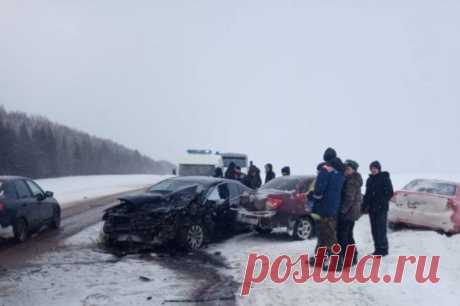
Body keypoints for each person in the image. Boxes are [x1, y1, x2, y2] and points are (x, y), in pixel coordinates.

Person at [308, 155, 345, 270]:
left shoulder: (325, 170)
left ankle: (337, 261)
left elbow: (319, 191)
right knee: (325, 234)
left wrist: (312, 195)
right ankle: (320, 258)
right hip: (333, 207)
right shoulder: (340, 174)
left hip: (324, 207)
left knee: (328, 236)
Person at [362, 161, 394, 256]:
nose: (373, 170)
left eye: (375, 168)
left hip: (381, 208)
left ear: (379, 168)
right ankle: (377, 249)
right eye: (372, 168)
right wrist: (364, 205)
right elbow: (367, 194)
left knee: (381, 229)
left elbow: (390, 192)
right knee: (374, 229)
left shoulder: (384, 178)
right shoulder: (369, 180)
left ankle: (383, 249)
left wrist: (381, 202)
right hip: (372, 209)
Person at [337, 160, 363, 266]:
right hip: (352, 212)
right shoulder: (352, 179)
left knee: (344, 236)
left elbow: (349, 198)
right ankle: (353, 257)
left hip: (348, 213)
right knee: (348, 235)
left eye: (348, 169)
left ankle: (347, 257)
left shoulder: (351, 181)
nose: (346, 171)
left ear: (353, 170)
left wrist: (342, 210)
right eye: (346, 169)